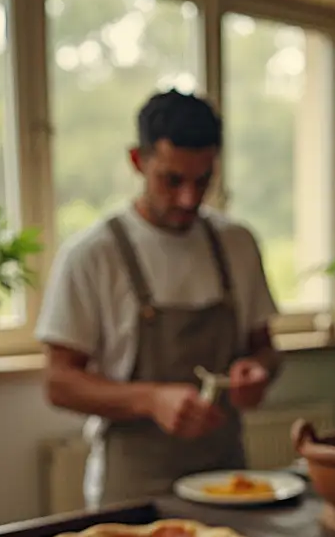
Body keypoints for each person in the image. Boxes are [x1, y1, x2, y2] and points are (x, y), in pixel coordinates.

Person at [36, 89, 283, 508]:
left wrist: (257, 373)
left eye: (203, 180)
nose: (189, 198)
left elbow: (265, 349)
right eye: (172, 180)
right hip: (133, 490)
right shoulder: (93, 255)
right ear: (138, 161)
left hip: (227, 481)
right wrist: (149, 399)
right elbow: (59, 382)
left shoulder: (237, 244)